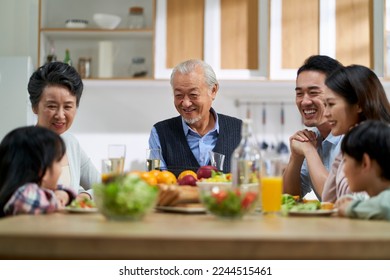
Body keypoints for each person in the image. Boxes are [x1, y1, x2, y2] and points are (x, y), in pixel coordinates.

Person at [148, 59, 242, 177]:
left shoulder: (240, 131)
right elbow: (155, 182)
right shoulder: (159, 133)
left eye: (193, 95)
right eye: (179, 95)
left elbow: (251, 180)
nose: (186, 103)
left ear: (213, 91)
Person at [28, 62, 100, 200]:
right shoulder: (21, 146)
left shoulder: (70, 143)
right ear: (35, 107)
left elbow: (103, 187)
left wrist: (85, 195)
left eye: (68, 106)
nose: (60, 115)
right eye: (52, 106)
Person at [322, 64, 390, 202]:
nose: (326, 113)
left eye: (331, 104)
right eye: (325, 105)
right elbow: (328, 200)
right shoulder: (353, 139)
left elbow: (352, 197)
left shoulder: (378, 141)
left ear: (358, 105)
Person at [283, 55, 344, 200]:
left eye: (313, 92)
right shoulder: (314, 137)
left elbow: (336, 198)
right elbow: (288, 197)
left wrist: (309, 151)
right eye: (299, 94)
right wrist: (296, 157)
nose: (304, 102)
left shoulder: (356, 137)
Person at [0, 126, 76, 217]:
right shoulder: (24, 193)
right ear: (42, 171)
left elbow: (67, 189)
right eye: (58, 162)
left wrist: (65, 194)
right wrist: (58, 200)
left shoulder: (38, 190)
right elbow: (46, 205)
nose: (61, 168)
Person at [336, 120, 390, 220]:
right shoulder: (376, 197)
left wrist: (351, 207)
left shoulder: (385, 202)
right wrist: (351, 200)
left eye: (346, 161)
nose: (344, 170)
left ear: (365, 163)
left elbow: (384, 206)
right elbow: (370, 201)